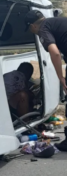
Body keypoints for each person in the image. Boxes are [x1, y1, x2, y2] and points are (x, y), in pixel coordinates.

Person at [25, 9, 67, 151]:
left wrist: (60, 77)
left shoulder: (43, 29)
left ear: (32, 26)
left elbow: (55, 52)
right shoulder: (59, 21)